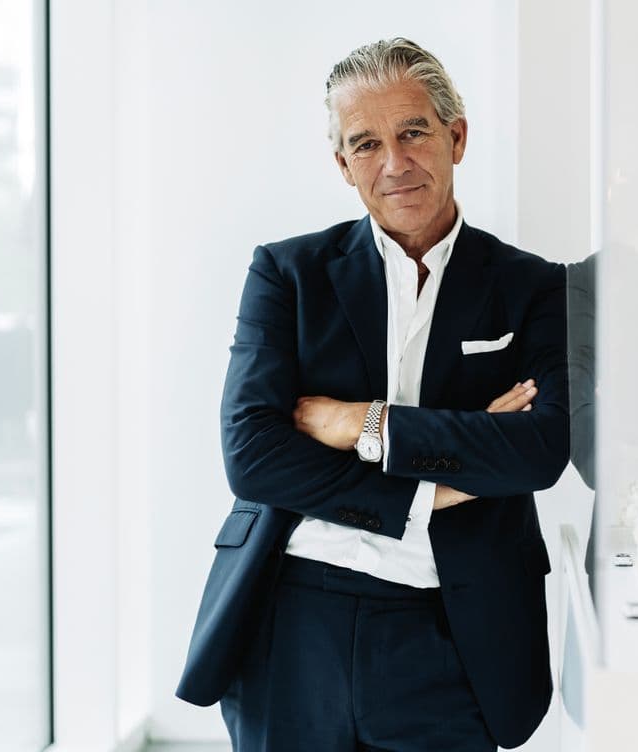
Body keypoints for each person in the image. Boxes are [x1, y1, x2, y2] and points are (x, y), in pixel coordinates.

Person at [175, 38, 569, 751]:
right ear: (343, 165)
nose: (394, 163)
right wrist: (433, 487)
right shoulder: (286, 274)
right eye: (366, 143)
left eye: (413, 132)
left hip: (455, 634)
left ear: (456, 136)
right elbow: (254, 455)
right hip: (289, 623)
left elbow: (538, 449)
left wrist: (362, 423)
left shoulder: (532, 286)